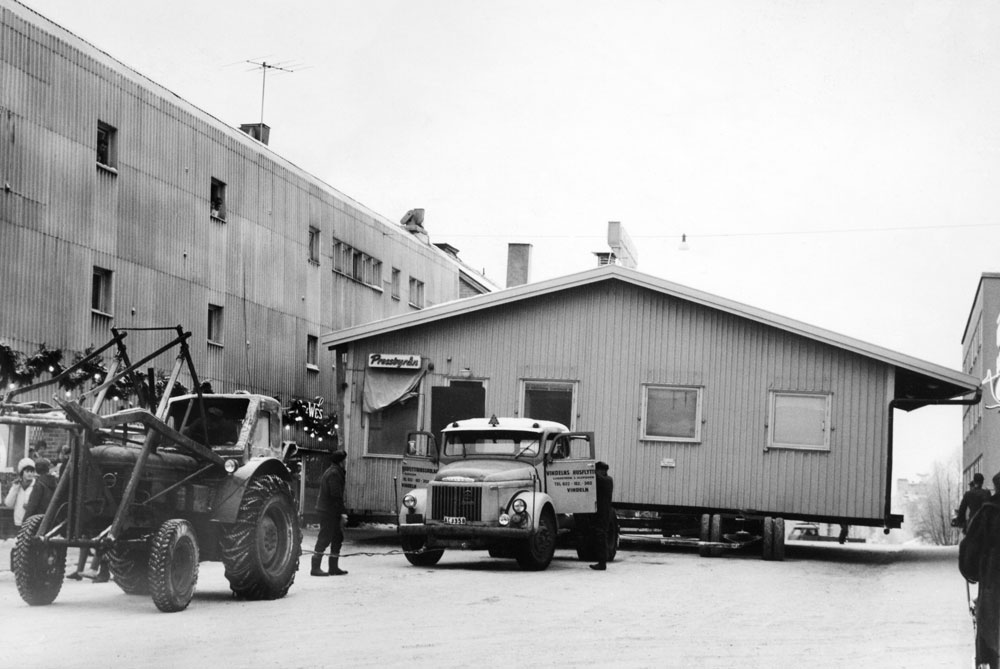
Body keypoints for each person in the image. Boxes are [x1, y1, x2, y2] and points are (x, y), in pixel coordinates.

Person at [964, 472, 1000, 669]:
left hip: (992, 582)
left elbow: (969, 551)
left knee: (989, 623)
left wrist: (971, 572)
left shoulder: (987, 513)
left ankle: (989, 660)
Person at [312, 450, 348, 577]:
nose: (346, 462)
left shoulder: (335, 471)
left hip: (331, 510)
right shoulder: (334, 473)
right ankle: (315, 567)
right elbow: (335, 496)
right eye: (345, 460)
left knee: (337, 538)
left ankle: (333, 567)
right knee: (325, 537)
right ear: (341, 461)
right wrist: (342, 513)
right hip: (328, 511)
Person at [590, 460, 614, 571]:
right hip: (603, 510)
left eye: (597, 470)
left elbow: (598, 479)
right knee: (600, 535)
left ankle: (602, 562)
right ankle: (601, 561)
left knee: (601, 535)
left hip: (603, 511)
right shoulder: (607, 479)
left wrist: (590, 470)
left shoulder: (606, 480)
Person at [4, 457, 36, 528]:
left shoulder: (36, 486)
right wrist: (15, 488)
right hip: (18, 521)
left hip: (31, 522)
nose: (30, 474)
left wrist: (30, 506)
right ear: (22, 472)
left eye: (32, 471)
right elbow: (8, 503)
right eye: (27, 471)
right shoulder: (17, 486)